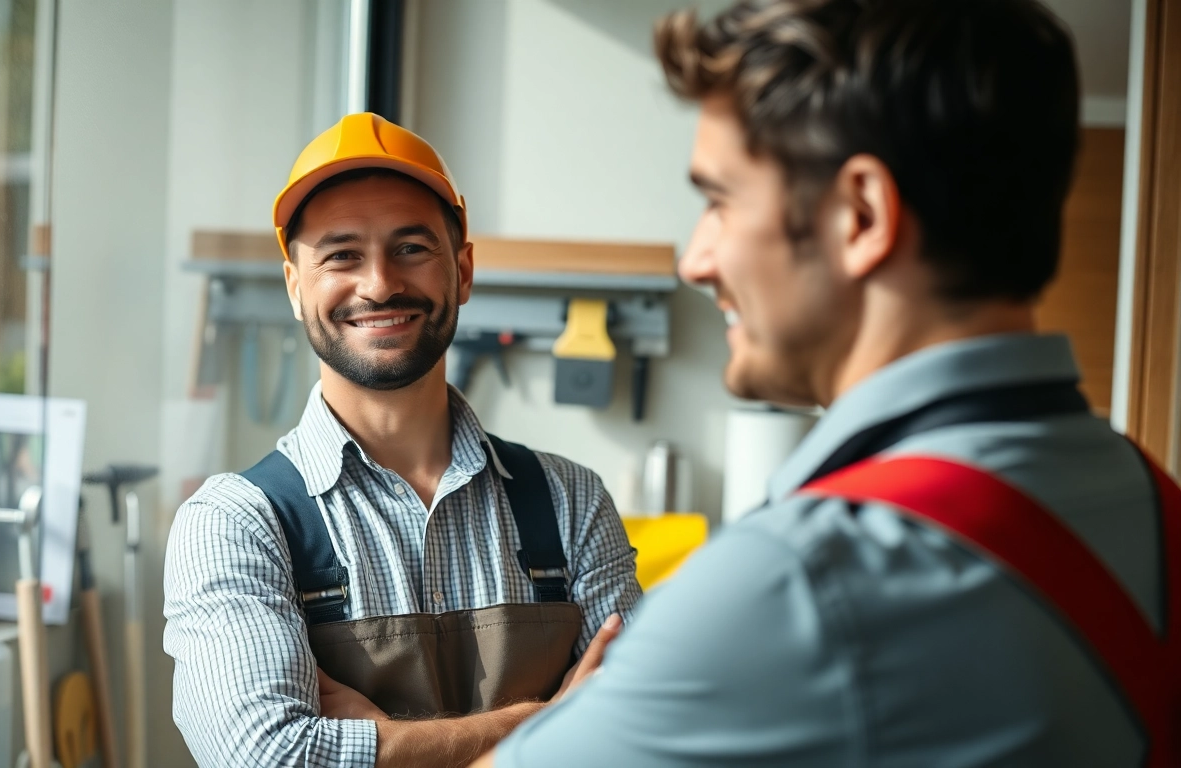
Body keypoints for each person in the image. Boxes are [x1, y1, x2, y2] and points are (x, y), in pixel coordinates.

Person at [476, 0, 1181, 766]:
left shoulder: (797, 583)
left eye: (718, 201)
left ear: (860, 214)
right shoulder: (1148, 496)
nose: (695, 260)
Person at [164, 113, 640, 768]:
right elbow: (271, 760)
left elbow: (641, 736)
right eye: (341, 255)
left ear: (463, 271)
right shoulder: (233, 525)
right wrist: (547, 723)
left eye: (412, 248)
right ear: (295, 288)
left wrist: (378, 746)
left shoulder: (571, 504)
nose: (381, 283)